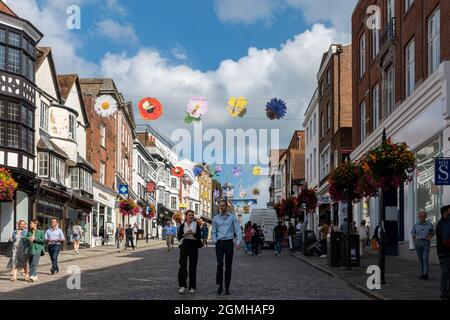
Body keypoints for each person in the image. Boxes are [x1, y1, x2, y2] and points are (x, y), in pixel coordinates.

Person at [211, 199, 242, 295]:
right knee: (220, 264)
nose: (221, 207)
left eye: (223, 205)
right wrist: (216, 241)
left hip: (229, 243)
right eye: (220, 206)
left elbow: (238, 230)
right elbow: (213, 231)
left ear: (226, 206)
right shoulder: (215, 218)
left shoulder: (232, 217)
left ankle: (227, 287)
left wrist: (238, 241)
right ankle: (220, 285)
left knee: (228, 266)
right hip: (219, 243)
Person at [177, 210, 202, 294]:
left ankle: (192, 287)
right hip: (184, 244)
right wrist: (185, 234)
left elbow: (199, 236)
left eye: (192, 215)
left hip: (193, 245)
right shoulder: (182, 225)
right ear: (186, 216)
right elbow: (179, 236)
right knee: (183, 265)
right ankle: (182, 286)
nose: (190, 216)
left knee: (192, 267)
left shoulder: (196, 224)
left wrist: (193, 233)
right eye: (189, 215)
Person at [411, 211, 435, 280]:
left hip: (425, 243)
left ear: (426, 217)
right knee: (421, 259)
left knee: (425, 258)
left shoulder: (429, 224)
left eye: (424, 216)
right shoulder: (416, 225)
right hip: (418, 243)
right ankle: (422, 273)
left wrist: (429, 238)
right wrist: (414, 242)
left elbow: (433, 232)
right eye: (421, 216)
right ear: (419, 217)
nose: (423, 217)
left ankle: (425, 273)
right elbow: (413, 234)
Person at [436, 205, 450, 300]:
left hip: (444, 252)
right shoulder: (443, 224)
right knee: (445, 273)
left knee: (447, 273)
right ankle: (444, 293)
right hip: (445, 253)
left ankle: (446, 292)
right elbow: (446, 240)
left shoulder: (443, 223)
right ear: (445, 212)